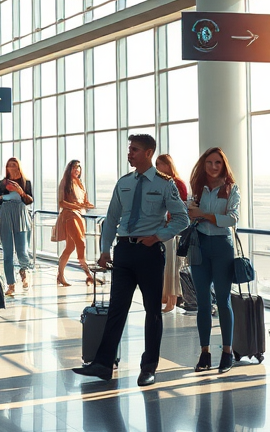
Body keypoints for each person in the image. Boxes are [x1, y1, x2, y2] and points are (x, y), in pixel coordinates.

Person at [73, 133, 187, 386]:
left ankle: (149, 367)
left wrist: (158, 236)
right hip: (123, 251)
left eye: (134, 149)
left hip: (149, 253)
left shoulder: (164, 184)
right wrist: (105, 250)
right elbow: (111, 218)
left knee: (152, 312)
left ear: (148, 153)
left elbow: (182, 218)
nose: (130, 153)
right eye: (129, 149)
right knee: (117, 309)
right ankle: (103, 364)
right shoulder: (124, 183)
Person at [184, 147, 242, 374]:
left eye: (218, 162)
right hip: (198, 246)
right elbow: (190, 213)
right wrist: (192, 212)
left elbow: (231, 219)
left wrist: (203, 215)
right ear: (203, 164)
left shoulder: (231, 189)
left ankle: (227, 353)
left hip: (221, 248)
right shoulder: (198, 188)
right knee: (203, 303)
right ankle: (205, 352)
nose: (214, 167)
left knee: (224, 300)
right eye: (209, 162)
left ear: (223, 165)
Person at [0, 157, 34, 296]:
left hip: (21, 215)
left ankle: (24, 270)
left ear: (18, 167)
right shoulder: (1, 183)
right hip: (6, 216)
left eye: (14, 165)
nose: (11, 168)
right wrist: (5, 196)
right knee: (7, 253)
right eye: (9, 165)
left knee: (22, 250)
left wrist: (20, 192)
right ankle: (11, 284)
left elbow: (29, 200)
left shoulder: (26, 182)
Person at [54, 160, 97, 286]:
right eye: (74, 168)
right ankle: (88, 275)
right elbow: (61, 202)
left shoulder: (80, 184)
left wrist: (87, 205)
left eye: (78, 168)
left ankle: (60, 276)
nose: (76, 170)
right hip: (69, 216)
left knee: (70, 247)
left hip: (78, 215)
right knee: (80, 243)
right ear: (69, 169)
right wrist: (76, 205)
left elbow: (84, 201)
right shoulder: (65, 182)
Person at [153, 154, 187, 312]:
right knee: (165, 265)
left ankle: (171, 301)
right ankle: (165, 298)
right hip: (163, 228)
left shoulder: (177, 184)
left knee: (172, 266)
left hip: (172, 230)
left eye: (159, 164)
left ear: (167, 165)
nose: (157, 167)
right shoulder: (161, 183)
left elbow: (180, 208)